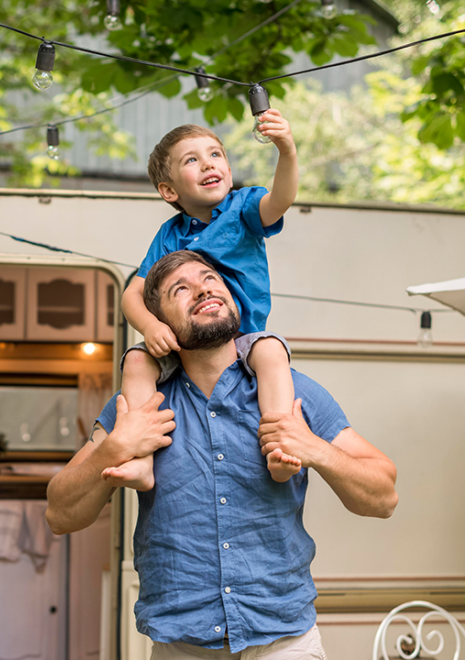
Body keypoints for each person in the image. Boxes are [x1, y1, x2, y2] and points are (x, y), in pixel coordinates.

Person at [46, 250, 398, 658]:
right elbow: (60, 514)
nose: (203, 289)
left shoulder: (293, 393)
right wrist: (115, 447)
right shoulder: (137, 406)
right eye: (181, 289)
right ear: (159, 322)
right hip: (181, 647)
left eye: (210, 278)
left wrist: (314, 448)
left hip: (285, 644)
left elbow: (384, 497)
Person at [117, 113, 300, 490]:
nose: (208, 164)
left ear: (229, 171)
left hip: (241, 338)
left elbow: (281, 198)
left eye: (215, 154)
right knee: (136, 360)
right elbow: (132, 294)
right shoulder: (170, 234)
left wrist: (286, 150)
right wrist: (151, 326)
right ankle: (140, 459)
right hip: (187, 344)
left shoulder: (243, 209)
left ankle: (281, 447)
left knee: (271, 354)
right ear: (169, 191)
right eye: (191, 160)